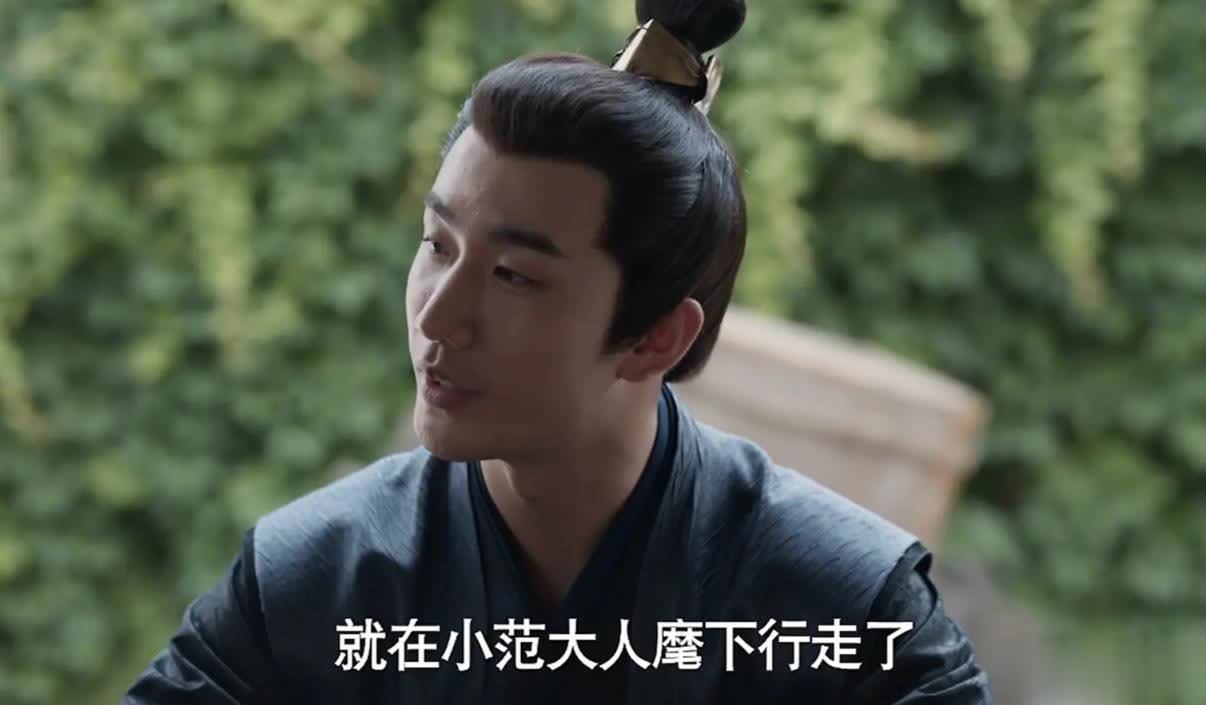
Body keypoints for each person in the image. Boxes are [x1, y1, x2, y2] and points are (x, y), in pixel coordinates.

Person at [125, 1, 993, 702]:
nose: (439, 317)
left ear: (656, 335)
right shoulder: (316, 582)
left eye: (514, 276)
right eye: (437, 245)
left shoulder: (848, 612)